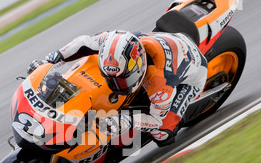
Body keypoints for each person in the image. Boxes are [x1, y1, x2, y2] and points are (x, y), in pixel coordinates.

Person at [27, 30, 208, 146]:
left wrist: (127, 120)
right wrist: (51, 59)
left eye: (121, 80)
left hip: (195, 72)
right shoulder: (113, 41)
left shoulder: (160, 83)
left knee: (162, 134)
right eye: (111, 78)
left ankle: (179, 115)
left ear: (138, 68)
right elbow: (84, 42)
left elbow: (156, 120)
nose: (116, 86)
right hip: (162, 41)